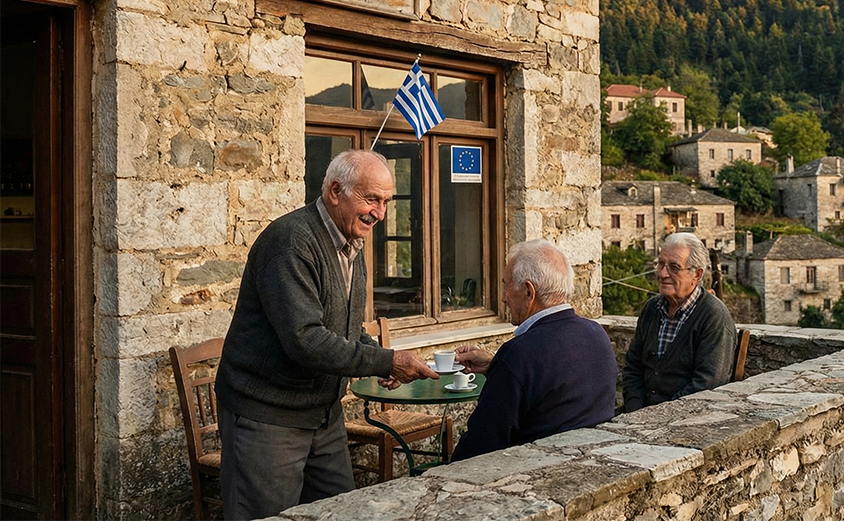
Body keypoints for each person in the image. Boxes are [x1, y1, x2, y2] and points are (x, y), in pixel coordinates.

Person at [214, 149, 438, 521]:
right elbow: (306, 340)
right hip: (268, 417)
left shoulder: (351, 240)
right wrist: (387, 361)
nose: (380, 214)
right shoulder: (290, 242)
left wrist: (380, 360)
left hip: (322, 414)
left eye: (385, 202)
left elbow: (343, 329)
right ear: (335, 191)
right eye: (371, 199)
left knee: (341, 511)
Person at [451, 240, 617, 460]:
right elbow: (553, 388)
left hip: (532, 474)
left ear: (529, 292)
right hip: (590, 465)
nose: (503, 297)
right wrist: (496, 367)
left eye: (507, 286)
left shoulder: (519, 354)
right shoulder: (597, 335)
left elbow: (481, 444)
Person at [622, 231, 737, 411]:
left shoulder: (713, 316)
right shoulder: (652, 309)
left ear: (697, 275)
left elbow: (707, 384)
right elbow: (632, 367)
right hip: (640, 416)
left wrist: (658, 416)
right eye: (660, 264)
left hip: (684, 422)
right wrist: (634, 410)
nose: (662, 273)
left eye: (674, 267)